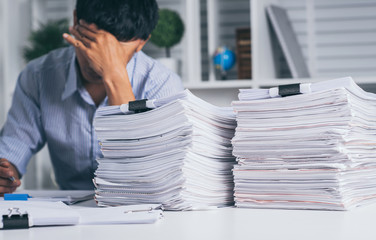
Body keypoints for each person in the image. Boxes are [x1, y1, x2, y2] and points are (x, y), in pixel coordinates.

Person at [0, 0, 184, 194]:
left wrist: (114, 76)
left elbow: (151, 178)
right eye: (91, 42)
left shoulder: (164, 85)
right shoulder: (38, 76)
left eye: (113, 49)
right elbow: (14, 147)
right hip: (69, 210)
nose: (96, 61)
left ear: (142, 42)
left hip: (138, 207)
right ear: (76, 21)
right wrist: (6, 172)